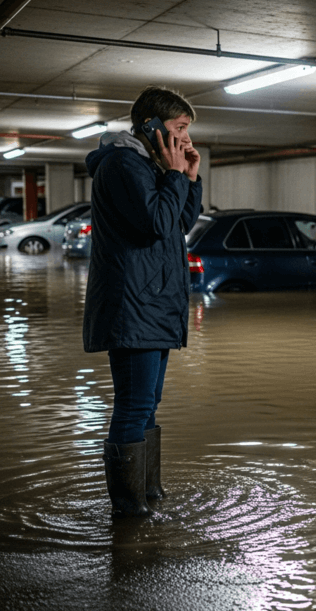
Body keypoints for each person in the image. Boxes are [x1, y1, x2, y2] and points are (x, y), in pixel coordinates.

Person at [83, 86, 203, 518]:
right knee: (133, 406)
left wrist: (188, 176)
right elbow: (154, 222)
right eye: (180, 129)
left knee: (147, 404)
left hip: (152, 305)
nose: (186, 138)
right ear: (152, 128)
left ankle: (148, 494)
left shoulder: (149, 165)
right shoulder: (122, 164)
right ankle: (128, 510)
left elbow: (178, 225)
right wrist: (172, 175)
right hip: (133, 306)